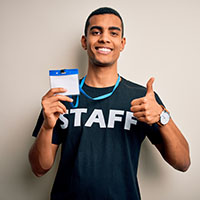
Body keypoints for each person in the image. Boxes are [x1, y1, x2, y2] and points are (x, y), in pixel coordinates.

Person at [29, 7, 190, 200]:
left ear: (122, 43)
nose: (104, 38)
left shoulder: (143, 98)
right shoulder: (61, 98)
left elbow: (183, 163)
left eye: (113, 33)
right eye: (96, 32)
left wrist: (163, 116)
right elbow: (39, 169)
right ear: (84, 41)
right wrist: (47, 128)